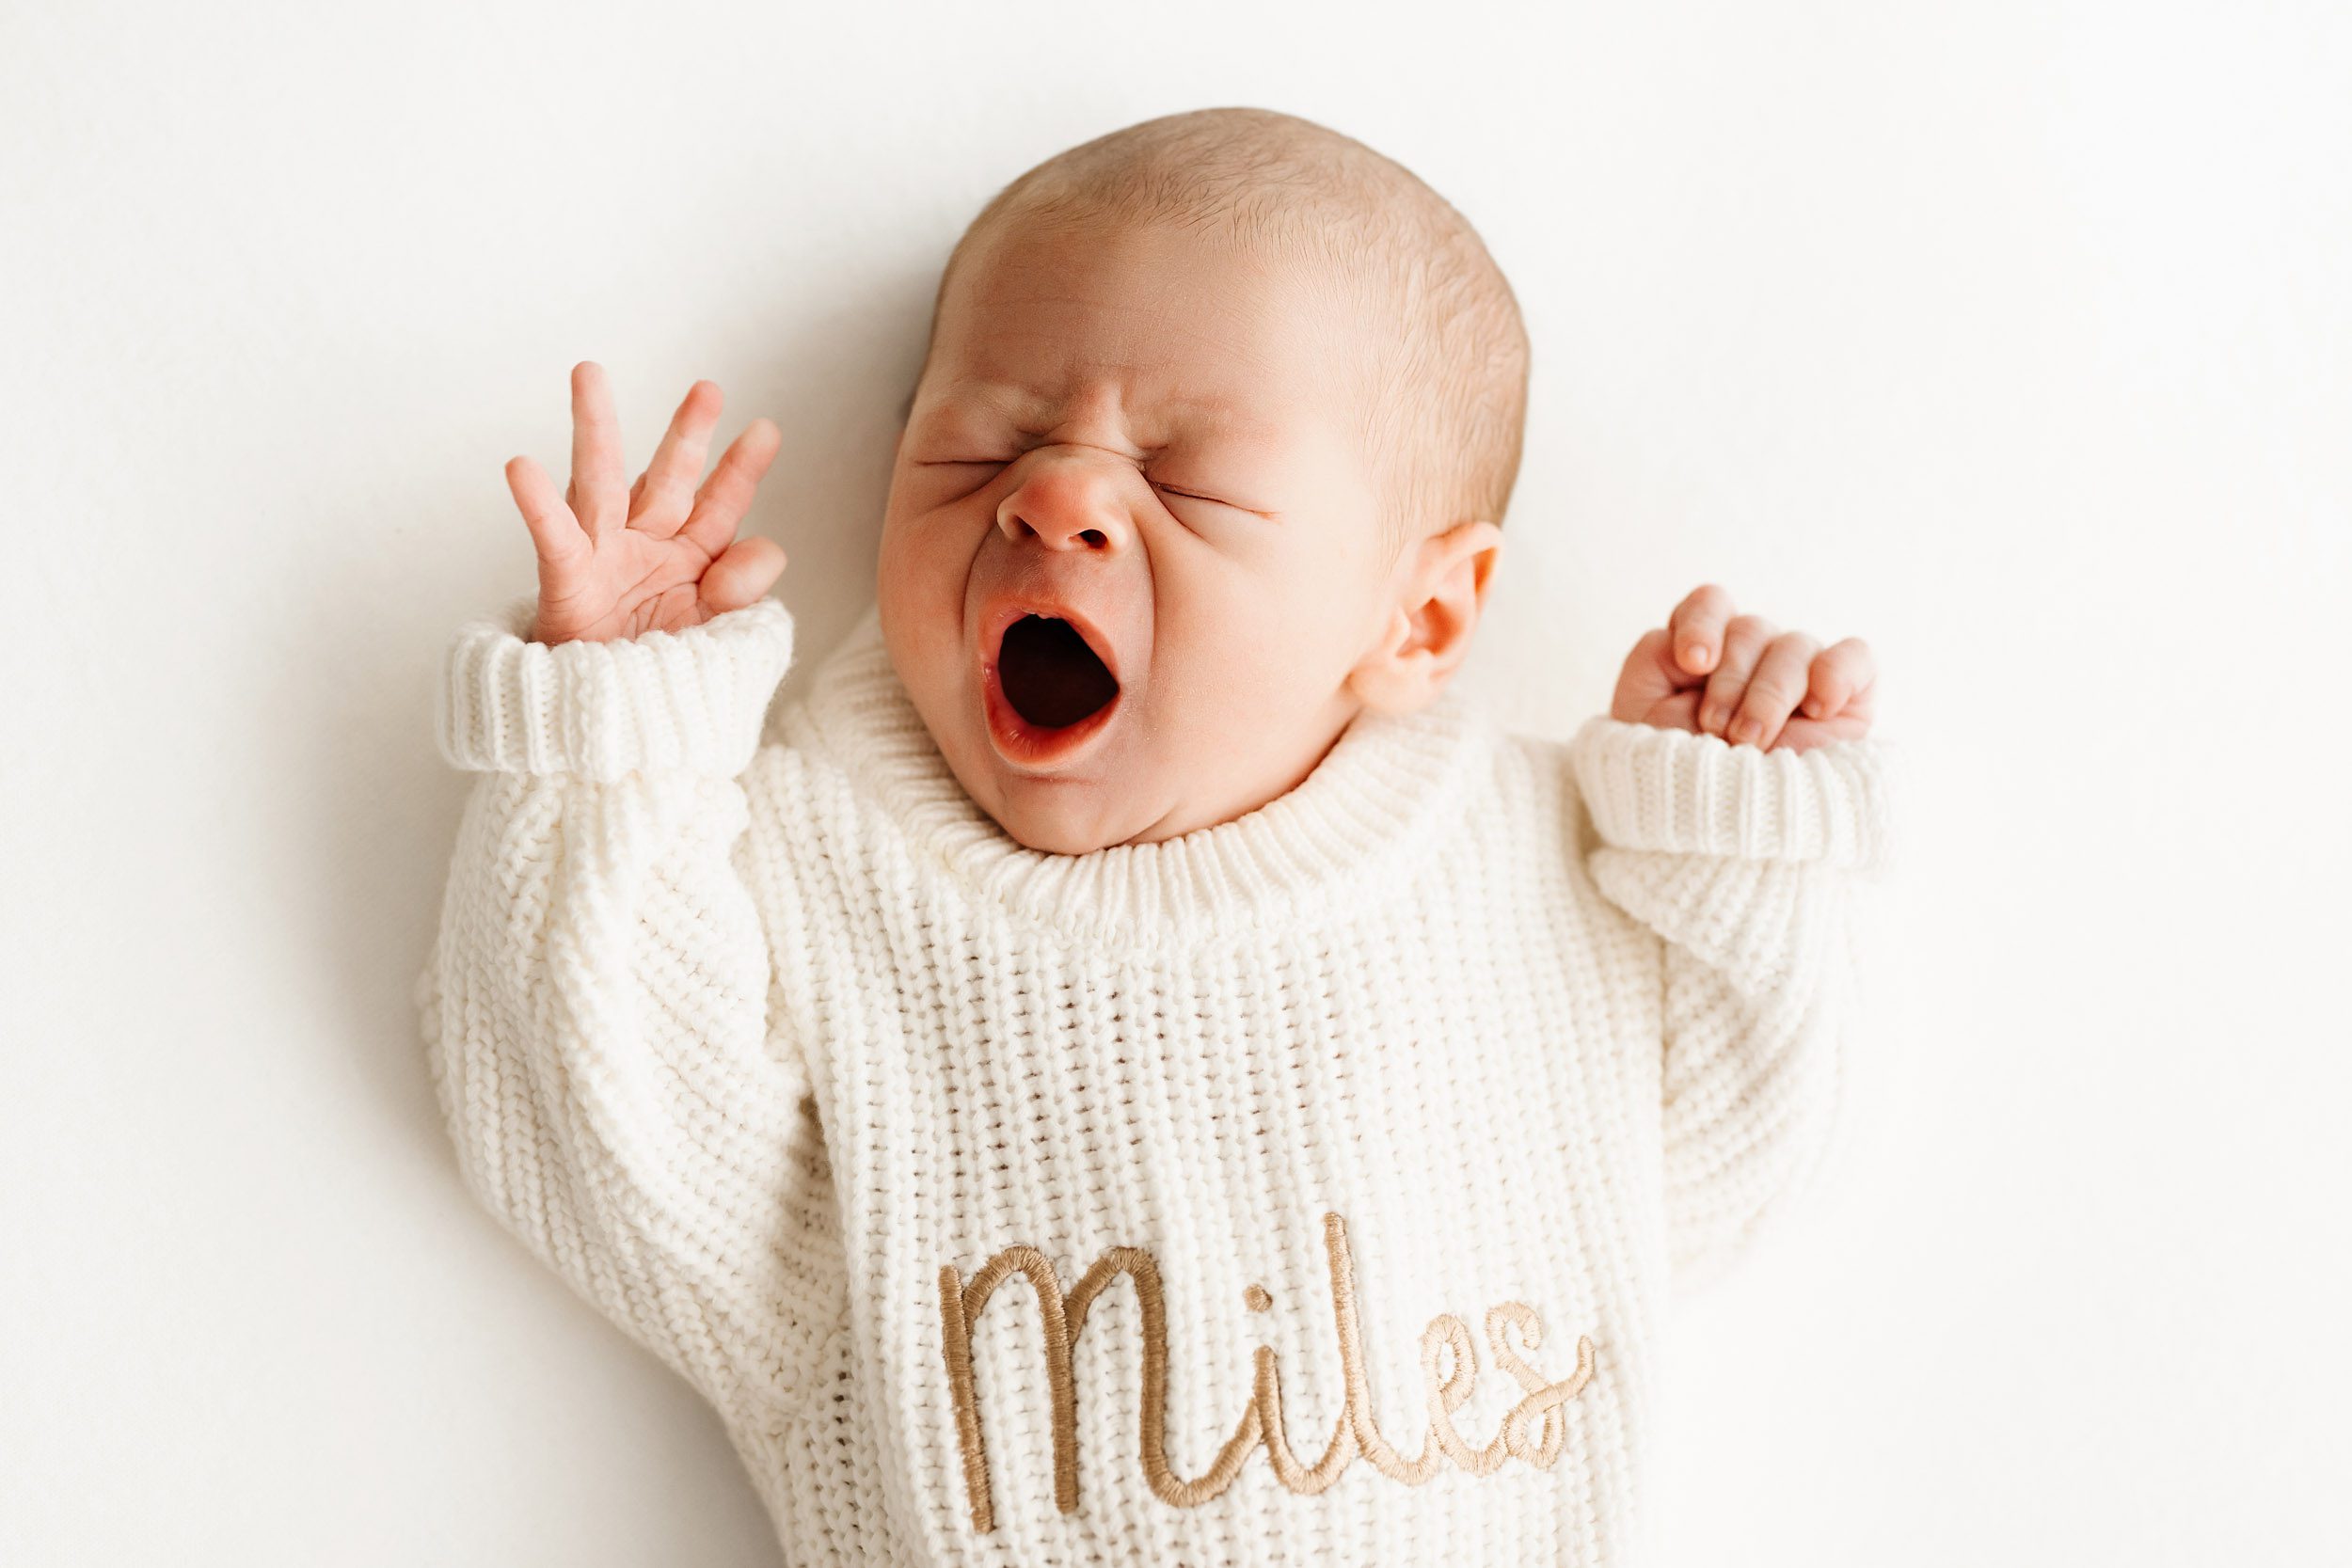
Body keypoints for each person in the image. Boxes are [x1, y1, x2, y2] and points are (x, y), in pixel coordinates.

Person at [415, 104, 1898, 1565]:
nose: (1054, 499)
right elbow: (610, 1153)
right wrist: (613, 750)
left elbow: (1711, 1171)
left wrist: (1731, 838)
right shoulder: (817, 873)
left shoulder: (1512, 868)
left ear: (1423, 614)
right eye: (979, 448)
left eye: (1185, 479)